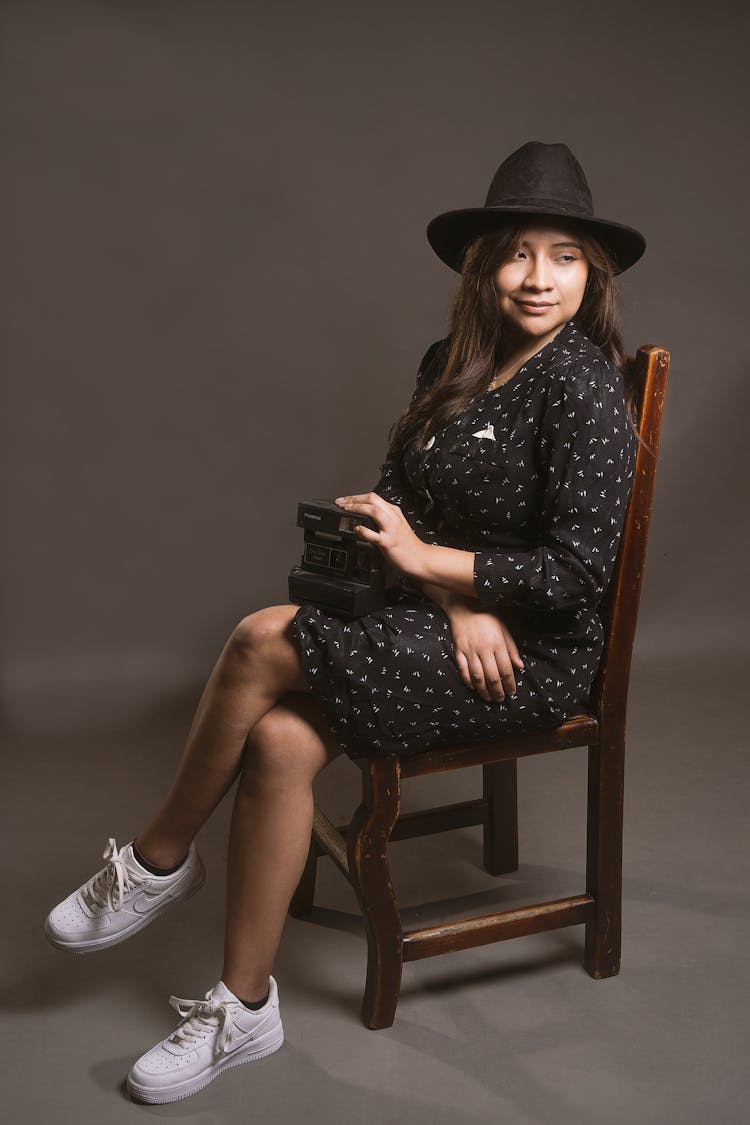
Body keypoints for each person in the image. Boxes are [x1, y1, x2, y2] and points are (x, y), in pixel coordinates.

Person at [44, 140, 646, 1104]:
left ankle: (158, 862)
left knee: (258, 637)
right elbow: (395, 510)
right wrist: (452, 595)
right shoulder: (448, 363)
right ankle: (244, 1010)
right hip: (456, 622)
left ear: (593, 273)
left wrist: (440, 574)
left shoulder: (582, 387)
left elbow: (576, 573)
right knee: (280, 740)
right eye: (518, 252)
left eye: (565, 255)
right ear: (482, 265)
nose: (539, 277)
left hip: (533, 652)